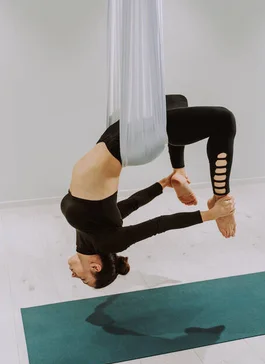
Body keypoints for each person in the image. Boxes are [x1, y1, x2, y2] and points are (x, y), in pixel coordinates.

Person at [60, 95, 237, 288]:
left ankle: (178, 172)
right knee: (224, 120)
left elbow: (128, 205)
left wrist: (162, 184)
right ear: (95, 268)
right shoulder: (108, 244)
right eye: (83, 279)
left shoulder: (89, 238)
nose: (73, 276)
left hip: (112, 137)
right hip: (123, 144)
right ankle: (220, 197)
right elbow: (159, 224)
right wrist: (211, 215)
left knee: (177, 102)